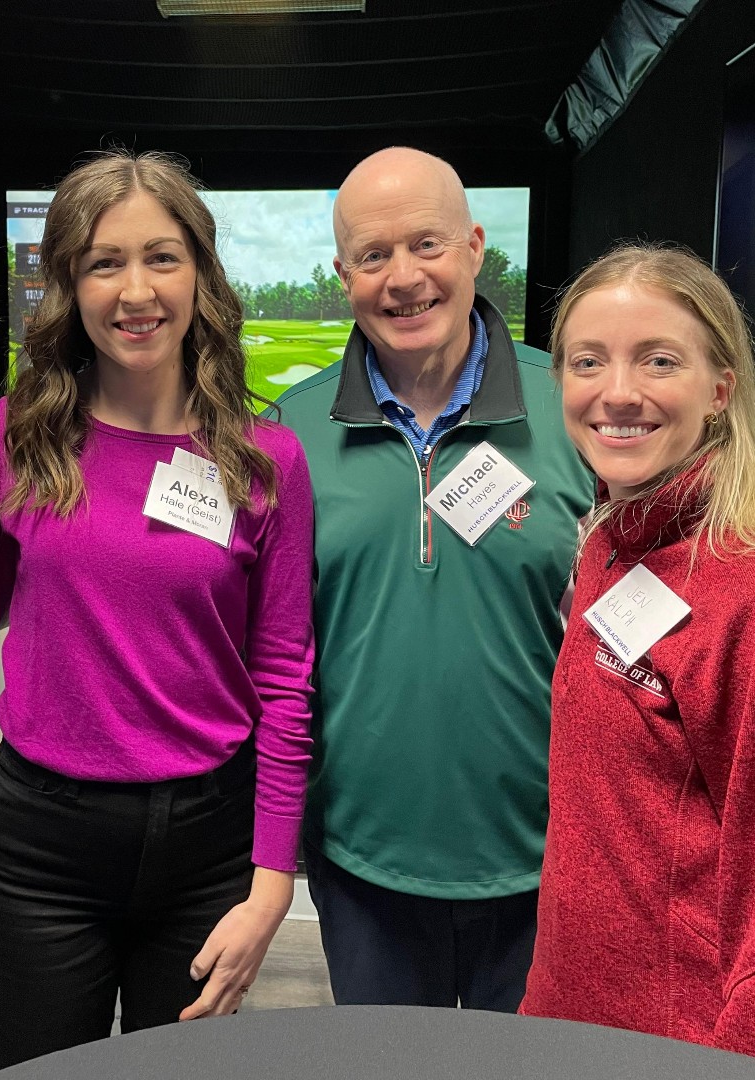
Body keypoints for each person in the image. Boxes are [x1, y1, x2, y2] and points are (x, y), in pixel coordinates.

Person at [0, 150, 314, 1067]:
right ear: (68, 285)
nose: (136, 290)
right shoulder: (16, 434)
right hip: (43, 848)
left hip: (207, 849)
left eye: (162, 257)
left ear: (200, 273)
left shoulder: (265, 459)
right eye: (102, 262)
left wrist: (272, 882)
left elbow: (283, 681)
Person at [274, 147, 594, 1011]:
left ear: (475, 247)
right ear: (343, 274)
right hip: (363, 865)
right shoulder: (289, 430)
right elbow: (277, 659)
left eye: (427, 244)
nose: (403, 277)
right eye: (373, 256)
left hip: (548, 864)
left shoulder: (570, 406)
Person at [520, 244, 755, 1054]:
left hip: (676, 1043)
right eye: (589, 361)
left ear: (720, 389)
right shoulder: (611, 542)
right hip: (569, 1009)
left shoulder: (740, 587)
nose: (618, 393)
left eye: (658, 361)